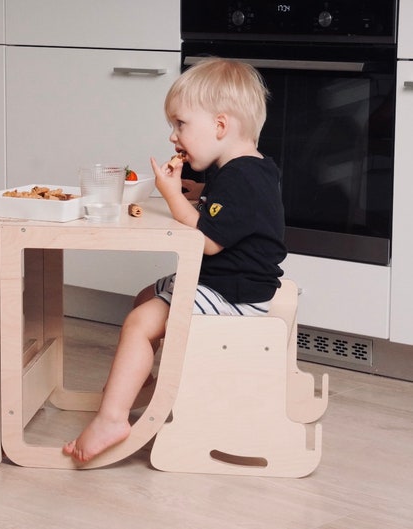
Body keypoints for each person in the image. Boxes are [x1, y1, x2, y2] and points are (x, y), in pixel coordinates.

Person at [63, 58, 287, 462]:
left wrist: (170, 195)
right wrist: (197, 189)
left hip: (234, 296)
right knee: (145, 296)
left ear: (220, 126)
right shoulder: (239, 168)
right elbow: (224, 208)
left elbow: (209, 240)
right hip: (223, 283)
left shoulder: (243, 178)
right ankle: (143, 380)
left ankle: (112, 417)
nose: (173, 136)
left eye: (181, 124)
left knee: (139, 322)